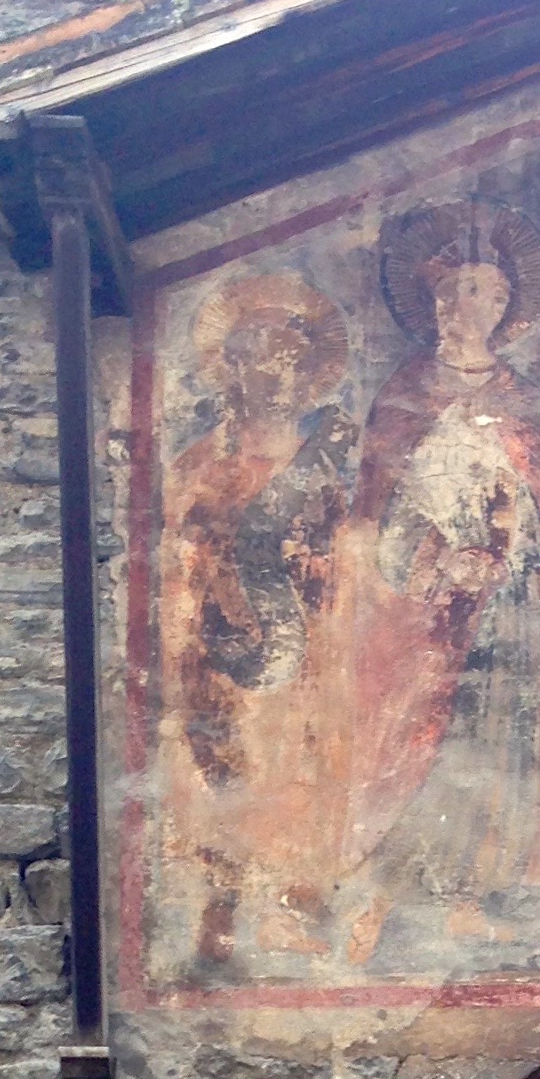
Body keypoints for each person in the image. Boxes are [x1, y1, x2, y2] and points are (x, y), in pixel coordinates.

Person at [338, 198, 540, 962]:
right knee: (415, 736)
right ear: (435, 300)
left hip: (503, 600)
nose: (477, 306)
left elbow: (538, 496)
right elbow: (378, 503)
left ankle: (466, 895)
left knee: (492, 739)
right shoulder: (407, 391)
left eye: (492, 293)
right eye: (463, 290)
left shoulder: (518, 396)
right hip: (424, 605)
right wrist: (436, 554)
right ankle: (380, 894)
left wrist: (507, 541)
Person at [160, 272, 352, 967]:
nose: (274, 374)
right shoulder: (200, 463)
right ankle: (222, 908)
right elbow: (179, 561)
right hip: (219, 655)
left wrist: (318, 561)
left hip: (309, 655)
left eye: (288, 359)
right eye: (258, 358)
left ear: (309, 373)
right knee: (228, 775)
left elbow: (346, 554)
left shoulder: (326, 463)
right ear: (231, 369)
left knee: (302, 771)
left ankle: (293, 904)